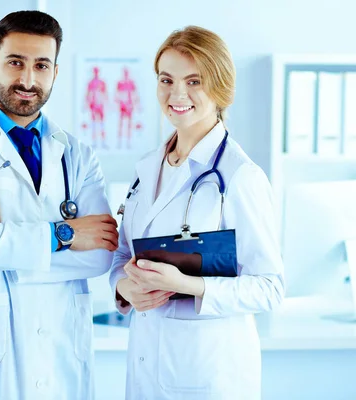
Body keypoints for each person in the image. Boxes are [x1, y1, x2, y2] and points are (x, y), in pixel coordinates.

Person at [0, 11, 118, 400]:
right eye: (16, 63)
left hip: (61, 348)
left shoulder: (77, 155)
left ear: (55, 73)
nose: (28, 80)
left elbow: (100, 256)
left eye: (41, 65)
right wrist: (64, 234)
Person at [109, 26, 285, 399]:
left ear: (221, 87)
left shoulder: (239, 177)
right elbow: (124, 257)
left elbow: (270, 288)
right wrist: (125, 289)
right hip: (145, 371)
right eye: (166, 79)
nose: (177, 94)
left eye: (194, 81)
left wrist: (188, 286)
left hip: (209, 377)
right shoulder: (147, 170)